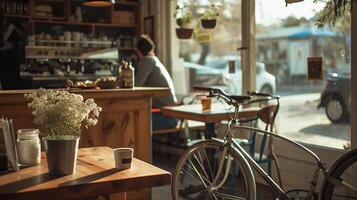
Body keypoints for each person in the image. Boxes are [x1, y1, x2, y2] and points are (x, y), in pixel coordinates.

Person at [135, 35, 178, 130]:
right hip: (170, 115)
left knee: (134, 122)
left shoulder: (147, 60)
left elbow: (135, 86)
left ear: (138, 51)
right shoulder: (154, 60)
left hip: (166, 117)